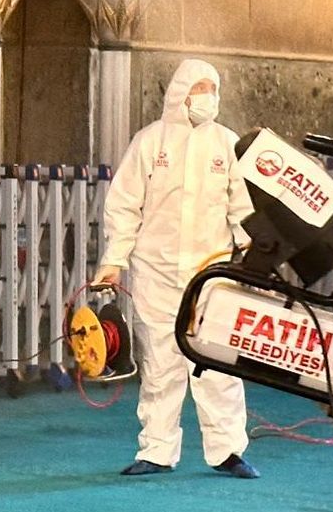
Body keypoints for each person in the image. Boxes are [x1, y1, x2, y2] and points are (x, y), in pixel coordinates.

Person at [94, 60, 257, 478]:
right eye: (199, 87)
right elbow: (125, 206)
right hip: (156, 271)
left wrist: (248, 249)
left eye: (212, 88)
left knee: (218, 362)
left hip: (211, 274)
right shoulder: (150, 142)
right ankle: (157, 449)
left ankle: (227, 450)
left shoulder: (226, 143)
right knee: (161, 362)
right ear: (181, 92)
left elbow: (242, 208)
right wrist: (114, 261)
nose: (207, 97)